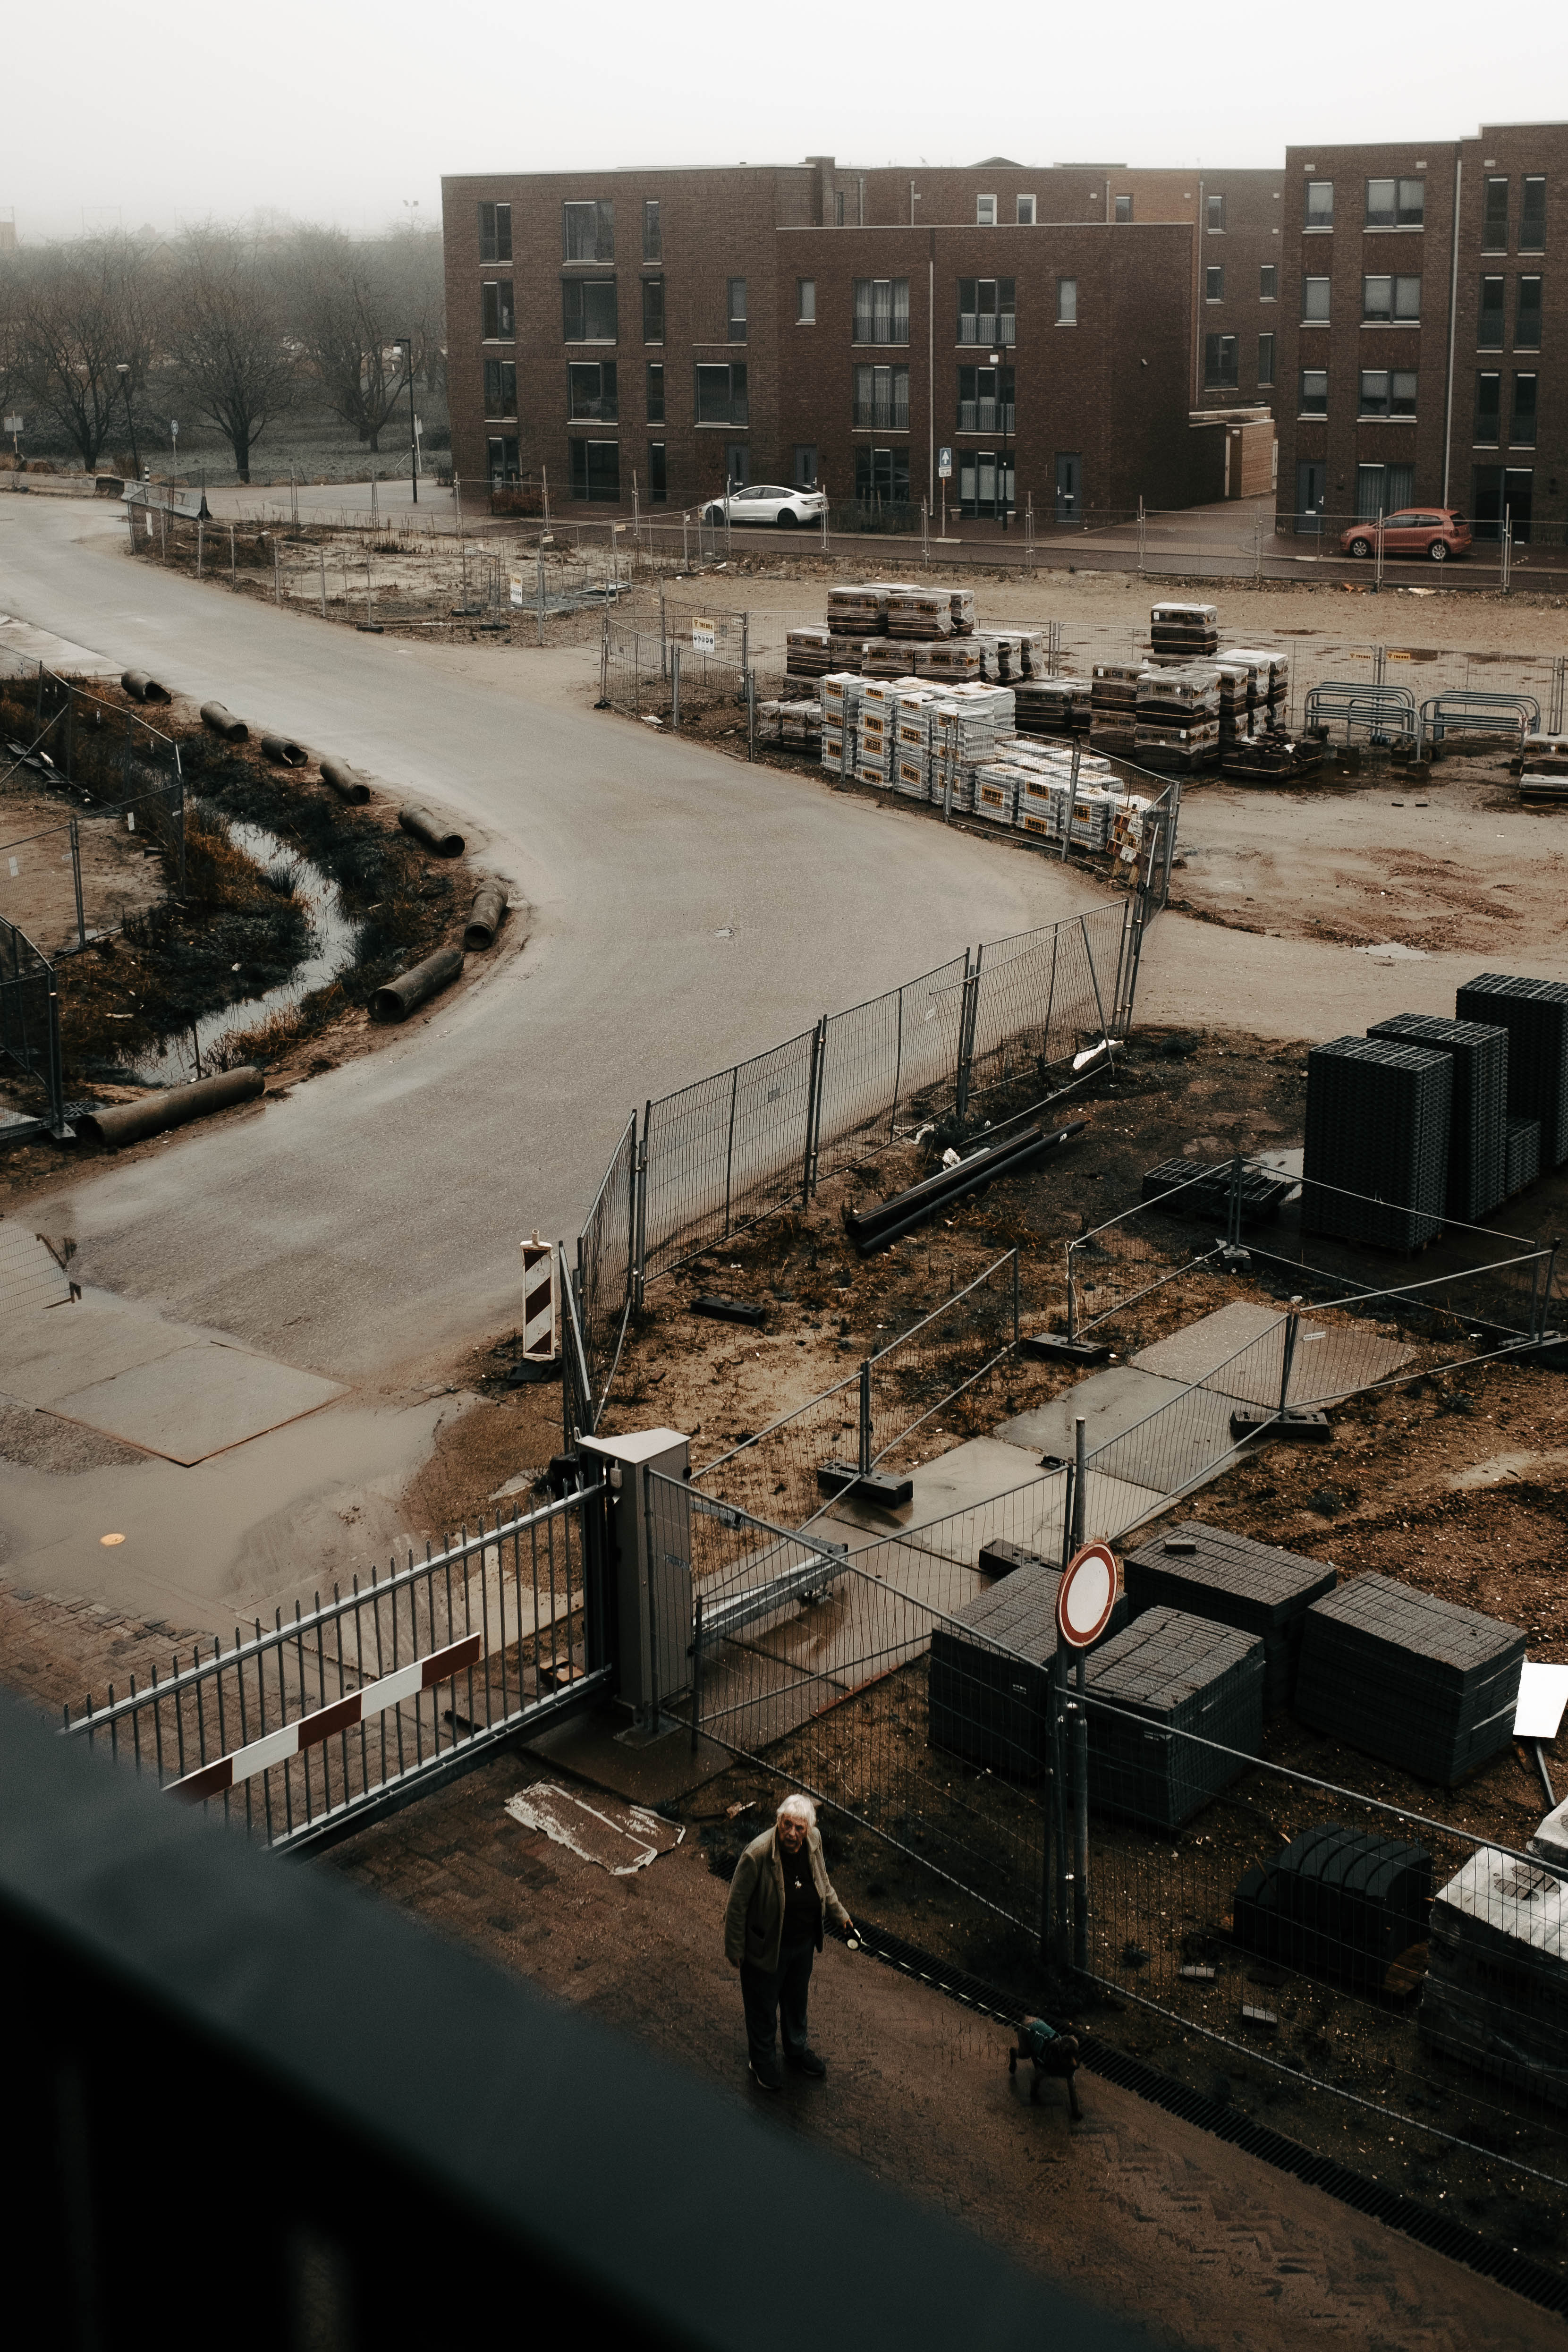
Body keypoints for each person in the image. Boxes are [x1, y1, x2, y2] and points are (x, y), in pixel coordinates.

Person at [724, 1793, 852, 2090]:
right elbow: (737, 1905)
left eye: (799, 1828)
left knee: (796, 2004)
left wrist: (840, 1915)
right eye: (787, 1825)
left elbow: (823, 1884)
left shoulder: (814, 1842)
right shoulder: (756, 1855)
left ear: (809, 1829)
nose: (792, 1834)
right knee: (763, 2007)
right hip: (766, 1948)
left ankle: (795, 2050)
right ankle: (762, 2060)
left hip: (802, 1946)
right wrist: (734, 1948)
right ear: (778, 1822)